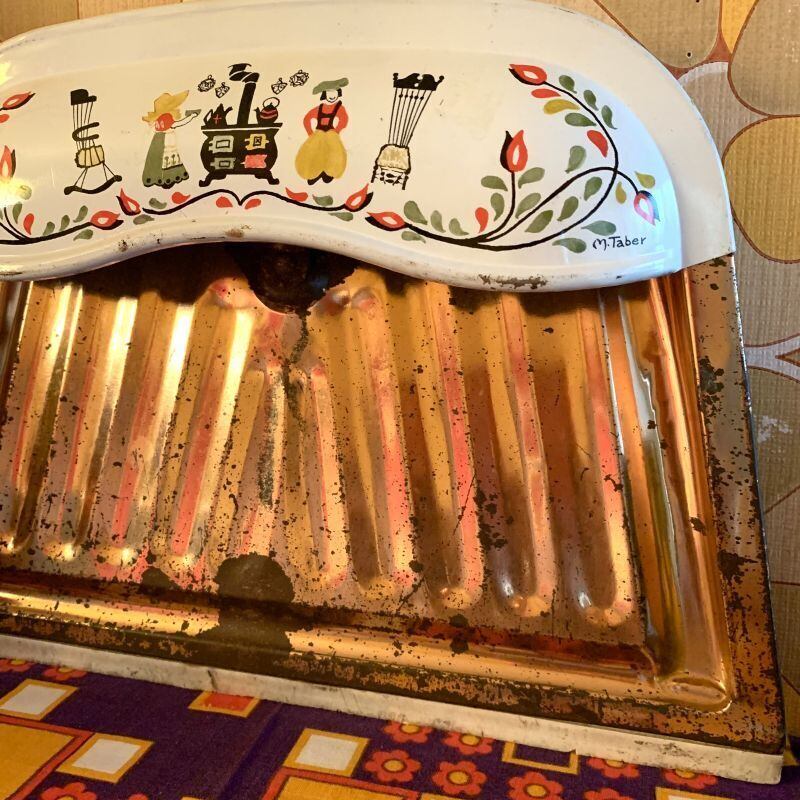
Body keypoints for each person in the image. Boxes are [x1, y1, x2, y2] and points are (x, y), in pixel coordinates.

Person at [294, 78, 349, 184]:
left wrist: (337, 130)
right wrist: (310, 133)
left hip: (331, 133)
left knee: (334, 153)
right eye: (329, 94)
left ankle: (329, 173)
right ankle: (312, 173)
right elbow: (307, 119)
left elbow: (344, 119)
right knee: (312, 152)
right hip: (318, 133)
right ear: (324, 95)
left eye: (334, 94)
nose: (332, 97)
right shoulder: (318, 108)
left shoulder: (340, 108)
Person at [141, 91, 200, 188]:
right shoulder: (166, 118)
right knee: (167, 158)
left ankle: (159, 177)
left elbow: (152, 125)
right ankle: (166, 178)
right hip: (166, 140)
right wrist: (192, 116)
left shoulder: (157, 119)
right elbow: (178, 123)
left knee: (159, 159)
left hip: (157, 140)